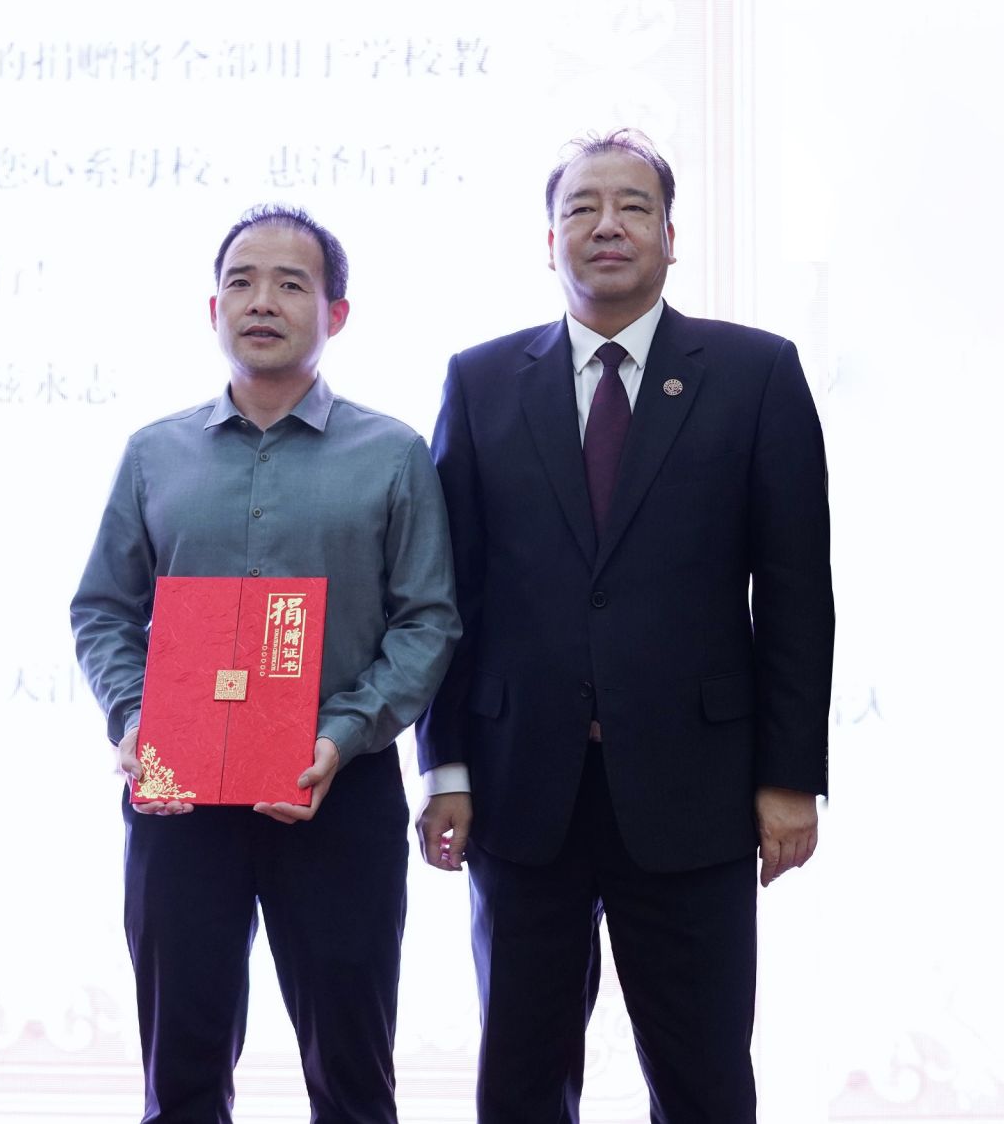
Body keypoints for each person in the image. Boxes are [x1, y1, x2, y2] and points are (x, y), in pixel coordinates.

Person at [414, 130, 834, 1122]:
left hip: (697, 791)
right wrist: (445, 767)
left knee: (703, 1083)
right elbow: (448, 594)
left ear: (671, 237)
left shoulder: (754, 372)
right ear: (548, 240)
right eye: (581, 207)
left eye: (633, 206)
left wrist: (788, 777)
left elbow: (794, 592)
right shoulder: (480, 382)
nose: (606, 225)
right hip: (522, 791)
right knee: (521, 1082)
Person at [72, 204, 460, 1124]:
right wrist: (138, 720)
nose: (261, 301)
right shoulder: (155, 452)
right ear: (213, 309)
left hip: (337, 790)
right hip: (179, 799)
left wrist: (342, 733)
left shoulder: (392, 453)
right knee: (182, 1078)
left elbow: (428, 620)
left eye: (291, 283)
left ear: (336, 313)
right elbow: (103, 609)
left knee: (353, 1077)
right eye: (241, 282)